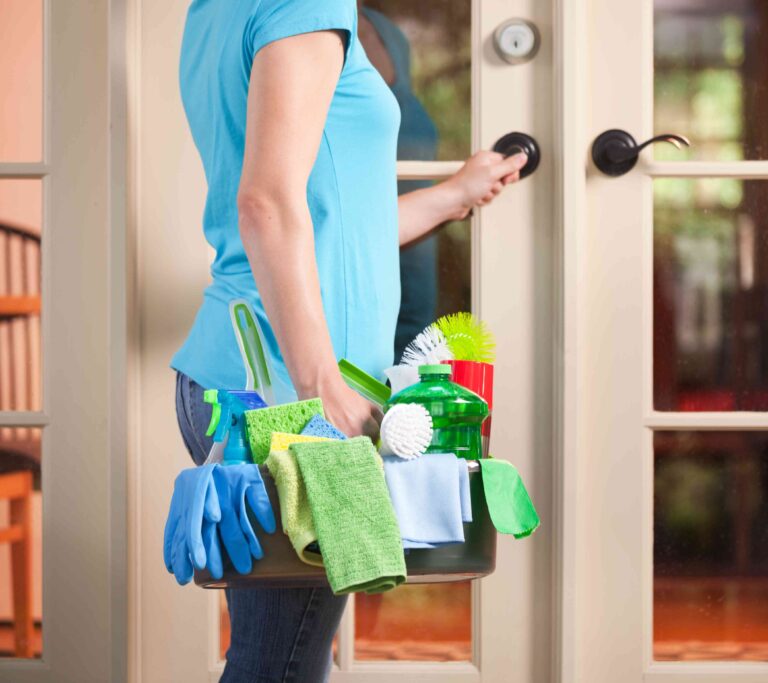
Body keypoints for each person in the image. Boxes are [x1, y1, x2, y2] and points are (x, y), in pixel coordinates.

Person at [171, 1, 526, 680]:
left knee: (292, 656)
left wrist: (455, 194)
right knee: (282, 663)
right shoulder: (306, 3)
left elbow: (328, 220)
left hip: (252, 375)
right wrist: (319, 389)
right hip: (280, 392)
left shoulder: (213, 9)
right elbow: (267, 206)